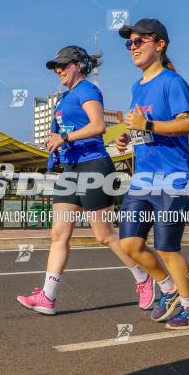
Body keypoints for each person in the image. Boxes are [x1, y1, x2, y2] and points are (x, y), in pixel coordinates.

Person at [17, 46, 156, 315]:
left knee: (104, 235)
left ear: (78, 65)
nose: (58, 70)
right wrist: (56, 143)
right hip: (70, 170)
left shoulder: (87, 90)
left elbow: (98, 126)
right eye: (55, 66)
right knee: (59, 234)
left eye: (63, 65)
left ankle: (143, 278)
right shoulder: (65, 96)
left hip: (93, 166)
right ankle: (48, 296)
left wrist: (64, 138)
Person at [115, 18, 189, 330]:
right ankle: (168, 290)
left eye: (139, 41)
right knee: (129, 244)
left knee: (167, 247)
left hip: (173, 178)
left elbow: (188, 123)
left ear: (160, 44)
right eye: (129, 43)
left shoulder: (171, 82)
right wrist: (129, 137)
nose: (132, 48)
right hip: (142, 179)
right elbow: (142, 126)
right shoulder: (136, 87)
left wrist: (146, 126)